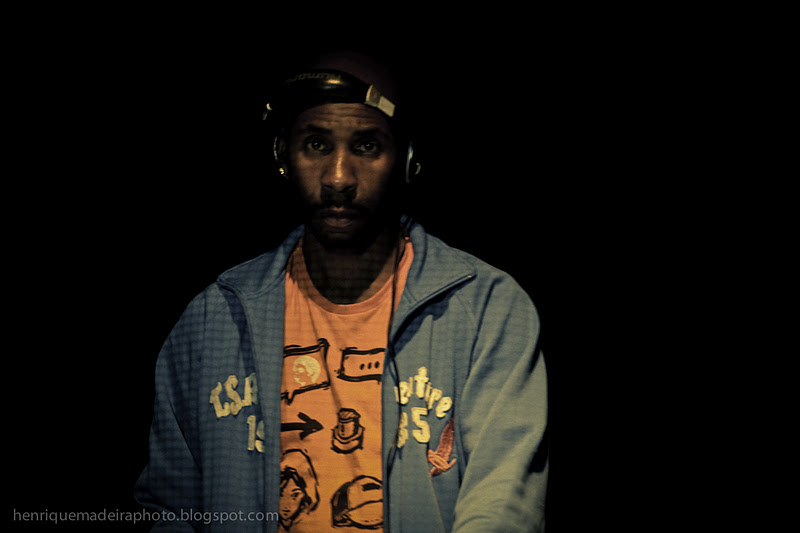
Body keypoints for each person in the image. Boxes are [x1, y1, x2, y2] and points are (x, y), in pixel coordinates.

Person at [135, 48, 548, 532]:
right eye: (316, 145)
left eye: (366, 146)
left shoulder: (487, 310)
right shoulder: (212, 321)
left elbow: (503, 508)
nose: (338, 178)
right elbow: (170, 510)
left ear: (406, 160)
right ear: (282, 154)